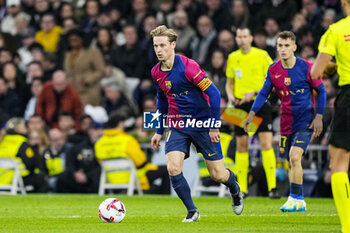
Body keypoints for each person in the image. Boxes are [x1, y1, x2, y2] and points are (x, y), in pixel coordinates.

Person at [150, 25, 243, 222]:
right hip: (177, 124)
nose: (159, 49)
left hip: (202, 123)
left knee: (218, 174)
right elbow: (162, 101)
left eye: (163, 45)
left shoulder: (188, 66)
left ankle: (234, 188)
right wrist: (159, 131)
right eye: (156, 45)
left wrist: (213, 125)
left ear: (173, 45)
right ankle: (192, 211)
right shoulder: (156, 72)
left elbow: (214, 94)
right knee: (173, 167)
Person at [243, 31, 326, 212]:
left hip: (305, 120)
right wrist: (251, 114)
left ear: (294, 47)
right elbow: (264, 93)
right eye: (280, 45)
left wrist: (319, 116)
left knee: (295, 156)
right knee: (291, 161)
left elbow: (322, 91)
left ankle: (295, 197)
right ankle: (298, 201)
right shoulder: (273, 69)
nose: (283, 49)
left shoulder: (308, 68)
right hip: (286, 121)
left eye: (287, 45)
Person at [310, 1, 350, 231]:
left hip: (349, 95)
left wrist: (331, 67)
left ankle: (347, 227)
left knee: (339, 162)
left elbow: (316, 72)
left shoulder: (336, 30)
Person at [225, 27, 278, 198]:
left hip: (260, 103)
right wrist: (230, 95)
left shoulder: (261, 55)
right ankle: (243, 189)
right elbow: (229, 82)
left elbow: (272, 79)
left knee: (266, 144)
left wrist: (255, 92)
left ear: (251, 37)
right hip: (240, 105)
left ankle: (272, 188)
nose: (241, 39)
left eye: (244, 36)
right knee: (241, 145)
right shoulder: (233, 57)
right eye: (239, 36)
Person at [95, 111, 170, 195]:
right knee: (166, 170)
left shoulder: (99, 143)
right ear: (120, 124)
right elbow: (141, 161)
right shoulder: (128, 140)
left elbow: (100, 162)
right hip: (131, 176)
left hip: (111, 178)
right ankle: (165, 197)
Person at [0, 117, 49, 193]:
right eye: (24, 127)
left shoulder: (2, 141)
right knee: (40, 178)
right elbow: (31, 164)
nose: (26, 129)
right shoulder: (22, 143)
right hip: (16, 179)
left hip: (2, 179)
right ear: (18, 130)